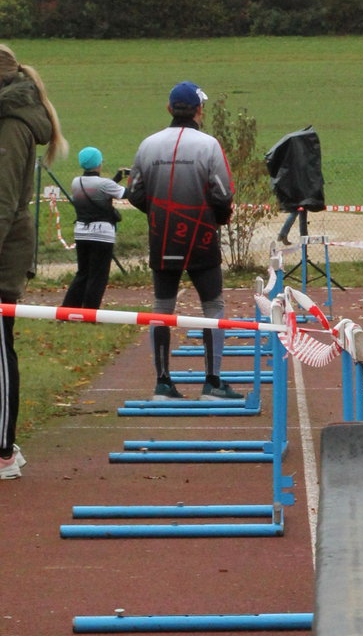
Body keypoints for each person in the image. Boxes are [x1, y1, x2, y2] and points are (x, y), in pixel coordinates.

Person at [126, 82, 237, 401]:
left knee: (162, 307)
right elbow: (223, 195)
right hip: (202, 237)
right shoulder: (209, 145)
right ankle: (212, 382)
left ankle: (162, 384)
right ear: (199, 110)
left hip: (162, 237)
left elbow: (134, 192)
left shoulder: (148, 145)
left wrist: (158, 211)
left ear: (169, 109)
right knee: (213, 306)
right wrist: (217, 218)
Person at [0, 46, 64, 480]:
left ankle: (4, 451)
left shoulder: (11, 124)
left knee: (0, 350)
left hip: (4, 256)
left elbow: (2, 203)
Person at [61, 147, 126, 310]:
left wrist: (116, 179)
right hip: (102, 234)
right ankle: (90, 312)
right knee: (98, 276)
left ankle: (68, 309)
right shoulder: (105, 184)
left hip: (81, 232)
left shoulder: (76, 182)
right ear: (98, 163)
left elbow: (98, 190)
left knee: (83, 273)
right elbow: (124, 194)